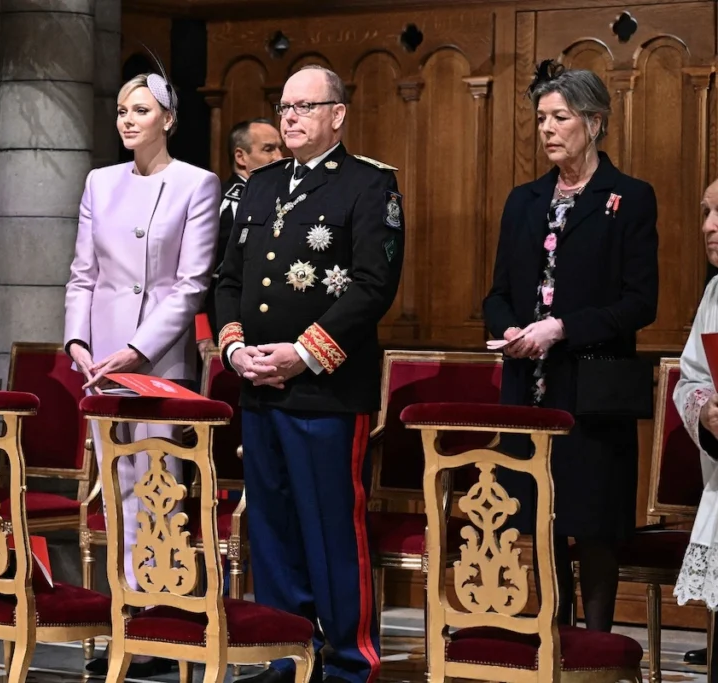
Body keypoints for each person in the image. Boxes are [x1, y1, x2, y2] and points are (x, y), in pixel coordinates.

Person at [215, 64, 403, 683]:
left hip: (325, 388)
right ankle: (285, 653)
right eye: (285, 106)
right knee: (269, 525)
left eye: (305, 106)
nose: (290, 116)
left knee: (329, 528)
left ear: (338, 114)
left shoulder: (368, 186)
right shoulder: (261, 186)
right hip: (260, 386)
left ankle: (350, 662)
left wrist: (303, 352)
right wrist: (236, 350)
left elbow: (375, 286)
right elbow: (230, 280)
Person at [483, 60, 658, 632]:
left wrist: (561, 328)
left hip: (593, 389)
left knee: (595, 523)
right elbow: (499, 293)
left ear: (595, 121)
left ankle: (598, 647)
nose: (548, 129)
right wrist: (511, 329)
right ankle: (551, 641)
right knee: (542, 519)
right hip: (530, 390)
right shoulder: (524, 200)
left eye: (560, 117)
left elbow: (639, 303)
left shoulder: (629, 198)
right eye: (541, 118)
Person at [63, 70, 221, 677]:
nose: (128, 120)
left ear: (168, 119)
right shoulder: (100, 182)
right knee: (116, 488)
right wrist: (78, 340)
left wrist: (137, 347)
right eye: (123, 110)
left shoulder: (195, 184)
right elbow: (83, 273)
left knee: (155, 487)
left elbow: (190, 285)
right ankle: (127, 615)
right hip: (100, 361)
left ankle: (160, 618)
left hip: (157, 359)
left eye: (142, 110)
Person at [674, 179, 718, 667]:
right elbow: (690, 380)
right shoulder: (715, 292)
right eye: (705, 212)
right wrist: (705, 411)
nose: (708, 226)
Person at [195, 118, 283, 356]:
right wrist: (202, 330)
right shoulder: (225, 204)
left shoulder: (277, 198)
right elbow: (198, 273)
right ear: (241, 157)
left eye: (279, 148)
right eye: (268, 149)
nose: (279, 157)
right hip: (224, 324)